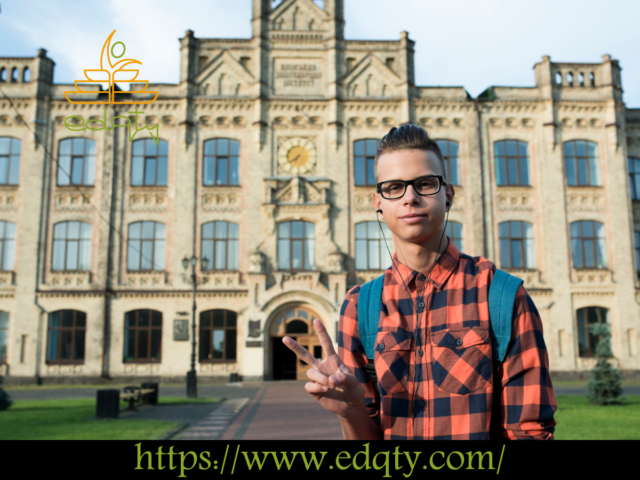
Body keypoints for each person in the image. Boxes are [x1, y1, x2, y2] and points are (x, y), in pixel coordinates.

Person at [283, 124, 557, 440]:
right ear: (378, 203)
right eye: (394, 187)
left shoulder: (502, 296)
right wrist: (350, 410)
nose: (410, 197)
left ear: (448, 194)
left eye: (425, 184)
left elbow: (530, 432)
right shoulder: (360, 308)